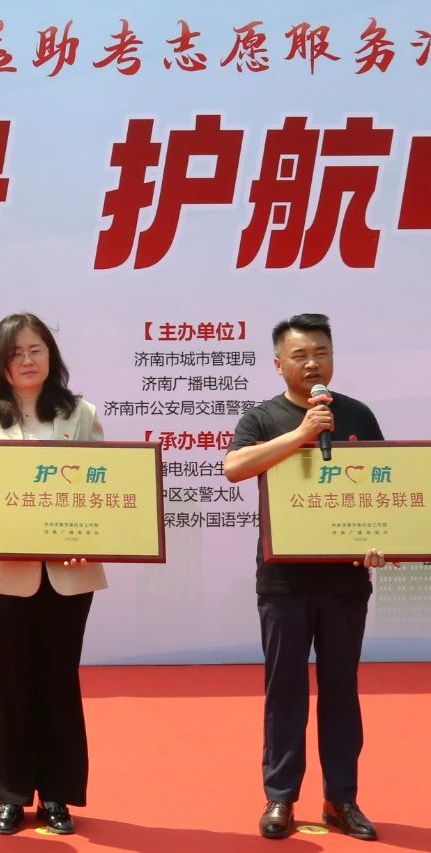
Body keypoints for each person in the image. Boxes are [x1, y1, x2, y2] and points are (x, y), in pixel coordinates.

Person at [224, 313, 389, 842]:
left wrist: (381, 540)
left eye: (321, 352)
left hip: (345, 580)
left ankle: (342, 798)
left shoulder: (358, 414)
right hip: (284, 582)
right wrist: (301, 435)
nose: (313, 362)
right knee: (286, 690)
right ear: (278, 364)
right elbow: (234, 467)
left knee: (342, 690)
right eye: (300, 355)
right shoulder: (262, 417)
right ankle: (280, 797)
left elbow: (383, 486)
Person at [0, 313, 106, 836]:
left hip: (68, 571)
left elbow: (103, 486)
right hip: (1, 571)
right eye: (15, 353)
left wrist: (88, 538)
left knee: (59, 680)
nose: (27, 360)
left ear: (51, 355)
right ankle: (12, 794)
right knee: (10, 682)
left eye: (36, 349)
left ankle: (57, 794)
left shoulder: (80, 413)